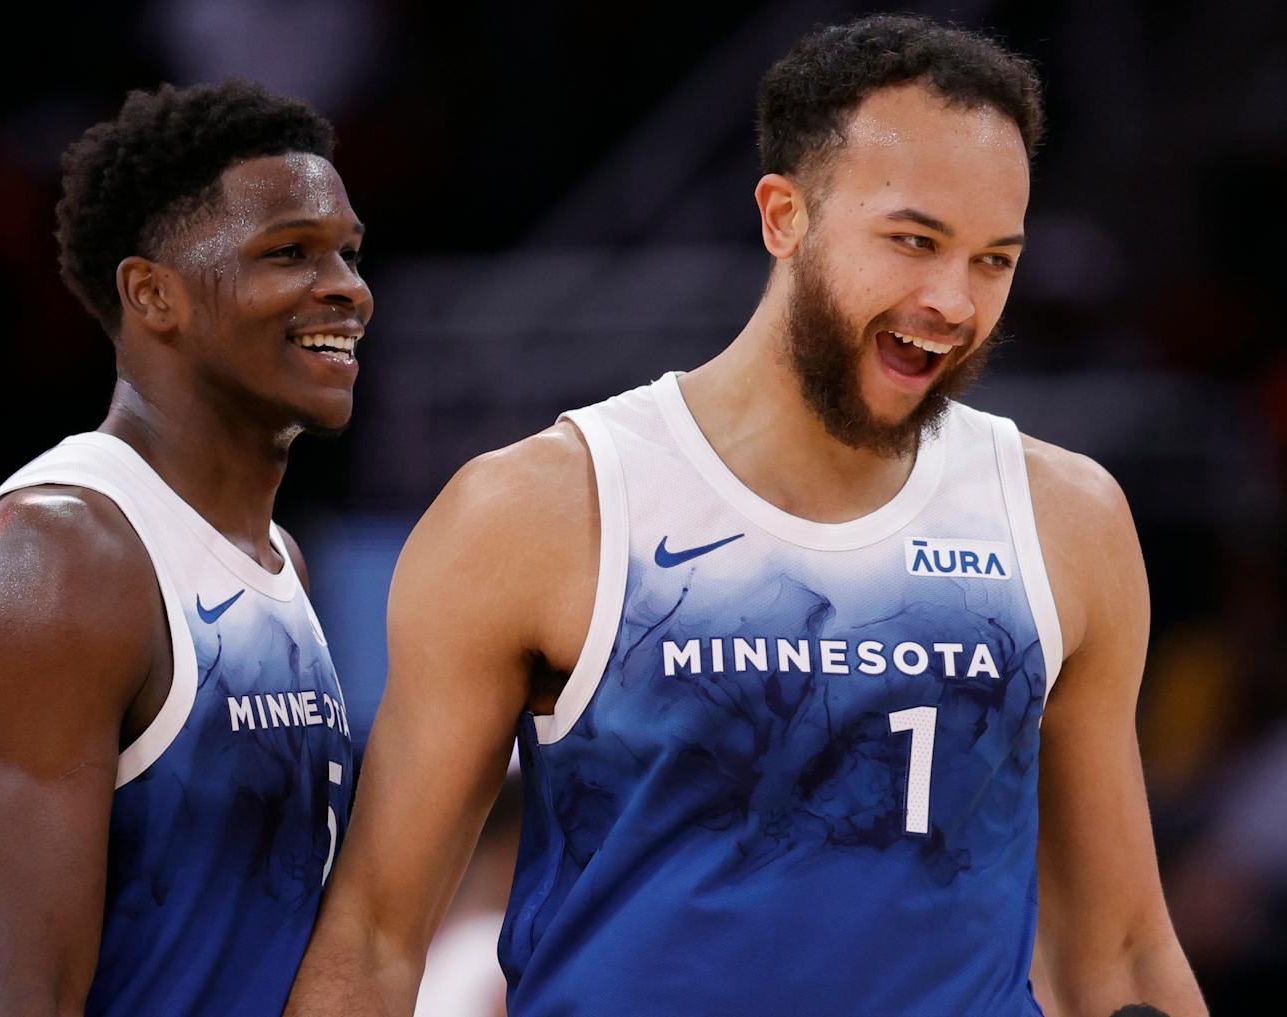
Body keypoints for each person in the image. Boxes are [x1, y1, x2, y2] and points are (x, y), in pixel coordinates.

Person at [286, 15, 1206, 1017]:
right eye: (912, 241)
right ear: (783, 217)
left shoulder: (1065, 517)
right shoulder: (538, 510)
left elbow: (1115, 952)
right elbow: (372, 943)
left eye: (992, 259)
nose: (951, 299)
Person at [0, 79, 370, 1017]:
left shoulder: (278, 560)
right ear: (152, 293)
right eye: (290, 252)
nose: (347, 289)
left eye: (350, 254)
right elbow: (18, 994)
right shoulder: (55, 557)